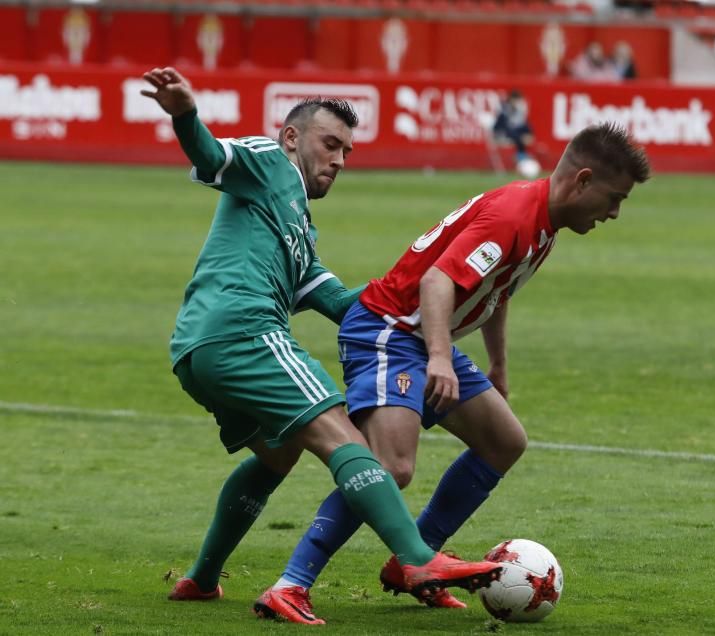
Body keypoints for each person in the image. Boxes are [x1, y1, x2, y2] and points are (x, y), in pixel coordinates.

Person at [140, 66, 503, 625]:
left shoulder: (298, 229)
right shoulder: (268, 160)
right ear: (292, 137)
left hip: (198, 348)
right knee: (341, 433)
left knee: (278, 454)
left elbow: (348, 304)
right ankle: (418, 559)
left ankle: (202, 579)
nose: (339, 159)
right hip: (243, 331)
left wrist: (435, 275)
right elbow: (212, 157)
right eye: (330, 144)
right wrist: (185, 112)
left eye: (347, 151)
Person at [256, 122, 650, 622]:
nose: (614, 212)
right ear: (583, 180)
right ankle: (291, 584)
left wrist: (498, 365)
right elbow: (439, 280)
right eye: (613, 198)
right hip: (389, 330)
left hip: (423, 337)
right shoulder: (513, 215)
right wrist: (440, 357)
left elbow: (493, 292)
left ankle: (414, 560)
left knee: (505, 440)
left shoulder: (543, 223)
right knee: (391, 466)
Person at [492, 89, 535, 165]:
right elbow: (504, 124)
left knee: (526, 127)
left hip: (514, 129)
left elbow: (521, 123)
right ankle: (521, 154)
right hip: (502, 130)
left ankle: (522, 153)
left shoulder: (520, 108)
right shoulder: (504, 107)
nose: (517, 102)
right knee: (516, 133)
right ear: (511, 99)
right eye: (516, 100)